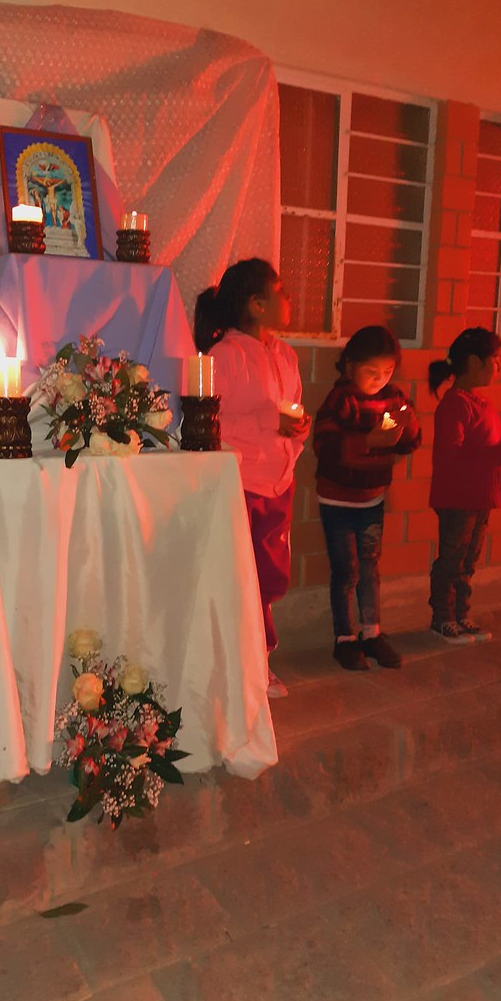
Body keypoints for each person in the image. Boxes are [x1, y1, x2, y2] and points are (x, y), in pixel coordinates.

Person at [194, 258, 310, 698]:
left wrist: (295, 431)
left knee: (270, 574)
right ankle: (250, 662)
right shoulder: (224, 355)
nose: (289, 299)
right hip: (241, 482)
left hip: (278, 479)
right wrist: (268, 422)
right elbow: (209, 423)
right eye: (281, 292)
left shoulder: (285, 354)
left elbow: (292, 407)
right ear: (257, 305)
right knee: (244, 575)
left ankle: (259, 657)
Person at [313, 326, 421, 671]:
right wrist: (370, 440)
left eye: (387, 372)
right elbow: (326, 447)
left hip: (373, 499)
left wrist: (408, 424)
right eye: (371, 372)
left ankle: (372, 634)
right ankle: (345, 639)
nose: (379, 379)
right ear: (350, 366)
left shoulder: (394, 397)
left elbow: (408, 442)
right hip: (339, 501)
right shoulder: (340, 399)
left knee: (371, 568)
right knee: (347, 570)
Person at [427, 328, 501, 643]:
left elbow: (486, 444)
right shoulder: (455, 404)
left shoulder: (481, 402)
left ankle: (461, 614)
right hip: (459, 497)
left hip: (480, 495)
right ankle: (442, 617)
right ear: (473, 361)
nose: (499, 367)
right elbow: (452, 453)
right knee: (452, 558)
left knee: (468, 561)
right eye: (495, 361)